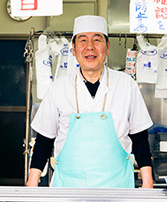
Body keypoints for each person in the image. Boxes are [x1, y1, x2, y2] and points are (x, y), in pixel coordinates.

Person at [27, 15, 154, 188]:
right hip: (68, 187)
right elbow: (44, 141)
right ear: (73, 48)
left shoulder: (126, 85)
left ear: (107, 47)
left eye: (97, 39)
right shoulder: (58, 88)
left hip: (117, 187)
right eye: (83, 40)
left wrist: (148, 183)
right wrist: (32, 183)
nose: (90, 47)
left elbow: (139, 138)